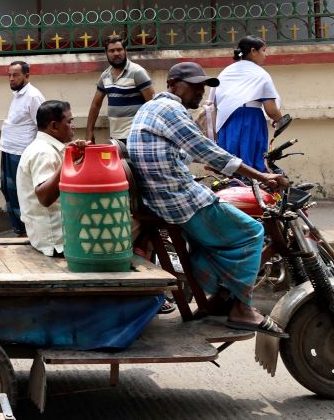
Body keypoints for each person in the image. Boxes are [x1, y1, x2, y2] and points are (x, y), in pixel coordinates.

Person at [127, 61, 290, 337]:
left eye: (203, 86)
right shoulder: (170, 109)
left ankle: (218, 299)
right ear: (172, 84)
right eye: (194, 85)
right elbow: (206, 149)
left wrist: (216, 163)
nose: (200, 91)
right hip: (178, 199)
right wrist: (262, 177)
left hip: (165, 197)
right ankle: (242, 307)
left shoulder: (152, 108)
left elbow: (186, 152)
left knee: (216, 238)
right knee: (252, 232)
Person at [15, 101, 86, 257]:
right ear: (54, 126)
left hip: (54, 234)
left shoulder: (49, 148)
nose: (73, 126)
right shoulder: (43, 152)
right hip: (55, 240)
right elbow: (45, 197)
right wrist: (69, 160)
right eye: (69, 122)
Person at [211, 36, 283, 171]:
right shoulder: (260, 74)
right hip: (250, 121)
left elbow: (213, 101)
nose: (266, 55)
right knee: (251, 164)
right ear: (253, 51)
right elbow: (271, 109)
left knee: (230, 165)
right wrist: (280, 120)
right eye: (263, 50)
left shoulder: (226, 72)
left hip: (226, 122)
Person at [0, 61, 45, 237]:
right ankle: (19, 230)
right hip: (8, 149)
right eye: (9, 75)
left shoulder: (33, 96)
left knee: (21, 194)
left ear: (27, 76)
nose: (11, 78)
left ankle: (28, 232)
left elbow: (42, 125)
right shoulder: (18, 95)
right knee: (8, 190)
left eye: (15, 75)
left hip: (22, 153)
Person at [85, 34, 154, 144]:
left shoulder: (137, 72)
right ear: (106, 53)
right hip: (115, 136)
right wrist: (89, 132)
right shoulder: (105, 76)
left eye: (119, 50)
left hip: (137, 135)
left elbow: (153, 104)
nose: (116, 53)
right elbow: (95, 104)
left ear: (125, 50)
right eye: (112, 51)